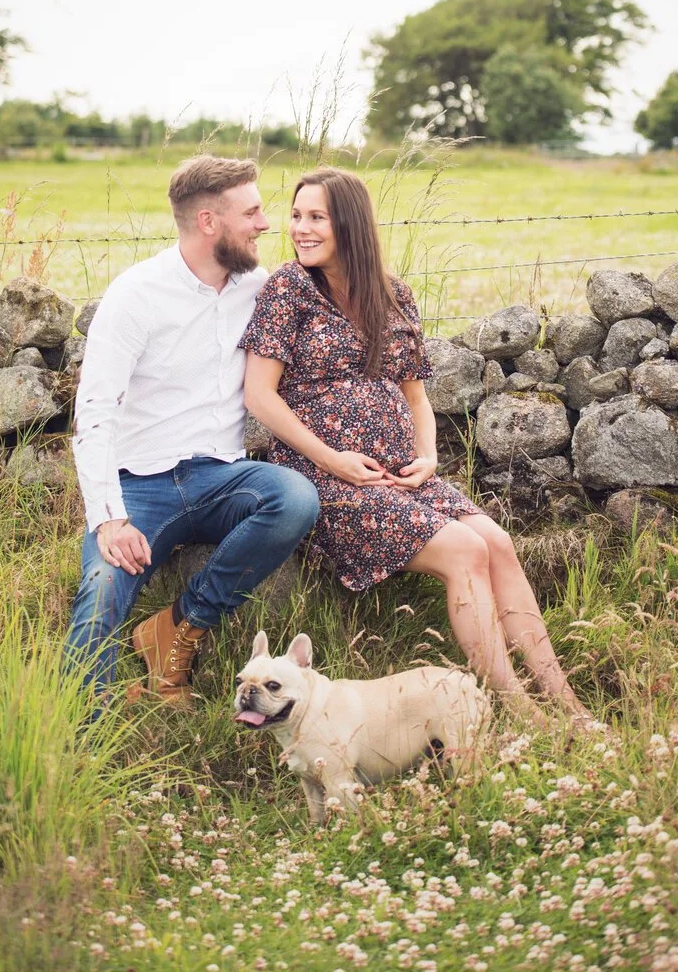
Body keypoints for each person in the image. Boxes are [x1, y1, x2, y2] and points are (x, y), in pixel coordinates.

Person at [241, 166, 593, 726]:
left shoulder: (391, 295)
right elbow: (260, 396)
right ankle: (523, 712)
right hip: (323, 478)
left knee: (496, 541)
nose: (299, 229)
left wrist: (427, 457)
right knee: (463, 550)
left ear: (350, 225)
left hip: (399, 474)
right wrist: (334, 459)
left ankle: (566, 700)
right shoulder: (289, 289)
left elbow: (417, 399)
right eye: (296, 216)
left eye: (316, 218)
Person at [64, 155, 319, 708]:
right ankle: (87, 721)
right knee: (104, 587)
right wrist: (110, 518)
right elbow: (95, 412)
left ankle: (181, 626)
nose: (265, 224)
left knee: (295, 497)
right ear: (209, 222)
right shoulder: (137, 294)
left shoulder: (259, 287)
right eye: (251, 212)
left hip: (220, 478)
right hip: (140, 486)